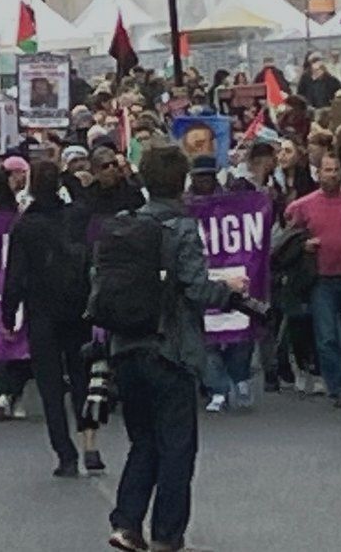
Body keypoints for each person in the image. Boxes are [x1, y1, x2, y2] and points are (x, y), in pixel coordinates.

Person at [102, 146, 251, 552]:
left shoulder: (124, 224)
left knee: (143, 442)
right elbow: (197, 288)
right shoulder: (182, 227)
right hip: (171, 349)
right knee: (177, 448)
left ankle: (126, 523)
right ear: (181, 182)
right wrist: (230, 290)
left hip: (126, 347)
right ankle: (167, 534)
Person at [1, 159, 96, 477]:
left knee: (51, 386)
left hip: (42, 311)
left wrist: (8, 315)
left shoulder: (25, 226)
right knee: (82, 378)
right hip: (77, 307)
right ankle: (90, 443)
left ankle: (65, 453)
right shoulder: (76, 216)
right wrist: (72, 179)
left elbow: (15, 276)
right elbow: (85, 201)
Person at [285, 152, 341, 408]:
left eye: (336, 169)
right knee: (327, 337)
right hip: (321, 278)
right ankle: (337, 386)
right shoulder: (303, 205)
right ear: (318, 174)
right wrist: (303, 245)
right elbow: (287, 236)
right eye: (327, 170)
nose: (332, 175)